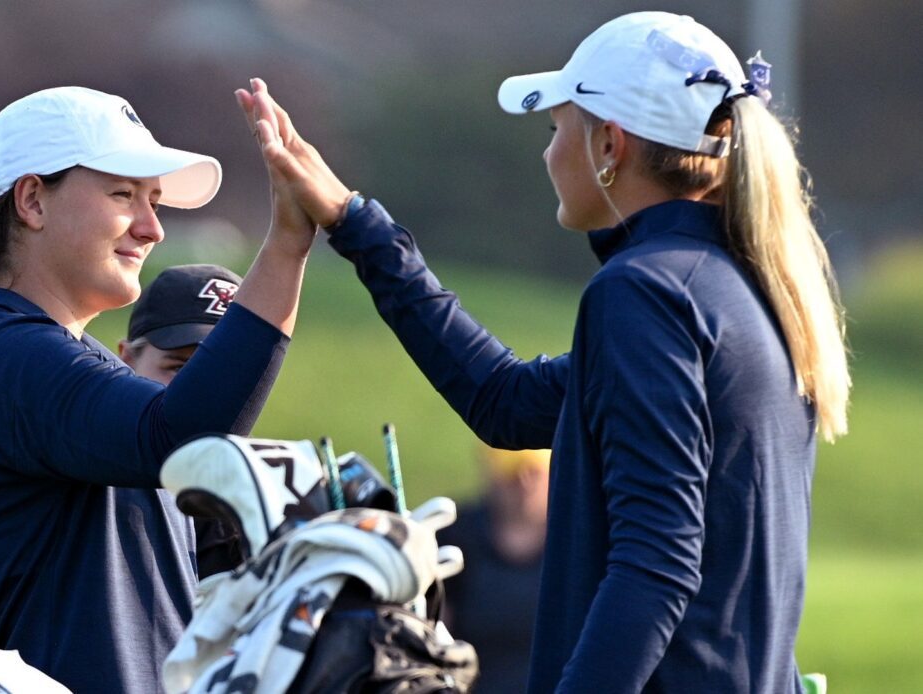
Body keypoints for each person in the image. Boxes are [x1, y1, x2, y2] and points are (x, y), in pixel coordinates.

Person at [235, 9, 851, 692]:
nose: (548, 154)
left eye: (556, 129)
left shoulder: (644, 294)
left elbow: (656, 566)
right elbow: (506, 403)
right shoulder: (743, 286)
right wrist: (353, 222)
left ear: (610, 145)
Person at [0, 85, 315, 693]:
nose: (152, 227)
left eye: (154, 201)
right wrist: (287, 244)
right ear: (32, 200)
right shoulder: (6, 358)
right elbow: (180, 439)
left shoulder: (64, 360)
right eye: (124, 194)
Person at [118, 263, 247, 577]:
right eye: (179, 367)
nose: (203, 389)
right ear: (126, 359)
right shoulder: (95, 485)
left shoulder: (258, 503)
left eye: (227, 372)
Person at [437, 445, 549, 692]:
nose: (524, 483)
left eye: (534, 472)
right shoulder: (456, 536)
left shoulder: (582, 540)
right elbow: (435, 640)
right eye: (513, 473)